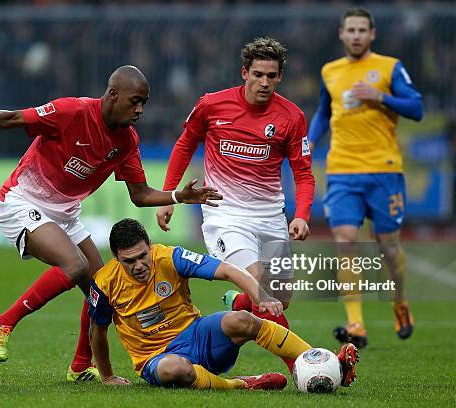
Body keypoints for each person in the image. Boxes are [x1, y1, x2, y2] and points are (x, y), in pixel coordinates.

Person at [0, 65, 222, 383]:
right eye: (135, 101)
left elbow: (140, 194)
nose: (140, 110)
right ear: (113, 94)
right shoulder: (72, 111)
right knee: (75, 266)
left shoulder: (127, 141)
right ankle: (4, 322)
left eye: (143, 103)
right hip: (21, 202)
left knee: (100, 287)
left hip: (64, 213)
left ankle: (80, 365)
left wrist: (178, 196)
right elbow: (16, 118)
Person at [155, 37, 315, 371]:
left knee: (280, 297)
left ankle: (237, 302)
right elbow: (185, 145)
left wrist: (301, 215)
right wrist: (169, 196)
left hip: (270, 214)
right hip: (224, 213)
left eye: (272, 76)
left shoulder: (292, 117)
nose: (264, 82)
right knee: (263, 293)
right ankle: (304, 364)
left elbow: (303, 173)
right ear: (244, 72)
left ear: (280, 77)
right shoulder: (212, 105)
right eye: (258, 74)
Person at [88, 218, 359, 389]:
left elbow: (228, 270)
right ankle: (241, 385)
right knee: (176, 369)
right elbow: (97, 331)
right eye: (129, 261)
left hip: (198, 335)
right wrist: (108, 376)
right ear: (115, 257)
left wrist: (259, 295)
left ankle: (321, 362)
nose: (138, 265)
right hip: (155, 359)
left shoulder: (169, 257)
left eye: (142, 256)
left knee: (242, 319)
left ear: (150, 245)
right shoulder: (104, 282)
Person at [308, 7, 424, 348]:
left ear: (372, 34)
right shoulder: (330, 71)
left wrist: (381, 96)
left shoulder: (390, 67)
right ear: (341, 34)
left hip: (384, 170)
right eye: (351, 30)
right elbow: (323, 112)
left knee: (388, 248)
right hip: (342, 169)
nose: (356, 35)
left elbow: (416, 108)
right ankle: (355, 322)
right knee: (345, 241)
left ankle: (399, 302)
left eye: (362, 30)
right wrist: (311, 141)